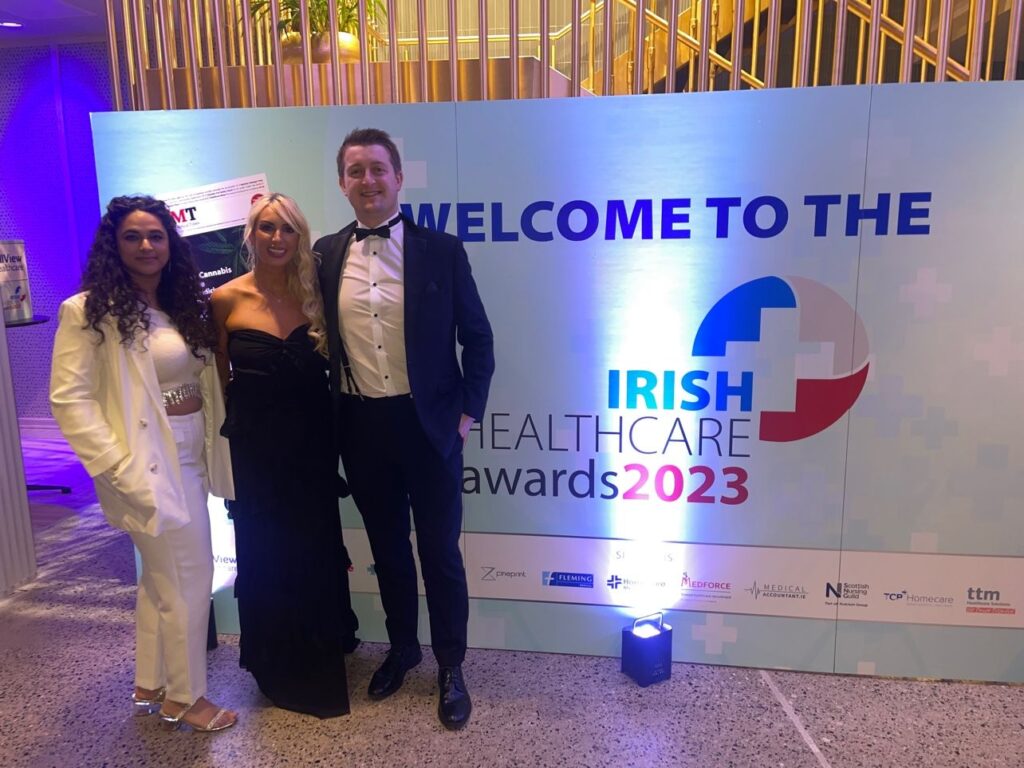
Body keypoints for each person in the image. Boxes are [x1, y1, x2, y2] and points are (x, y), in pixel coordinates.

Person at [315, 128, 495, 730]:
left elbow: (478, 339)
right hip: (361, 425)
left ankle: (451, 665)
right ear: (342, 183)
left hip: (430, 427)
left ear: (399, 177)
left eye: (377, 169)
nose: (368, 180)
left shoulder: (441, 250)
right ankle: (402, 648)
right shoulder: (324, 255)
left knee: (439, 552)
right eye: (356, 171)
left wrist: (467, 414)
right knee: (388, 550)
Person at [49, 195, 236, 732]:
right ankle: (187, 697)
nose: (147, 246)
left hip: (190, 453)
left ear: (170, 242)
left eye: (156, 235)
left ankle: (151, 683)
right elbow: (70, 399)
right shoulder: (88, 312)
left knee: (161, 577)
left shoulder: (177, 305)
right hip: (145, 461)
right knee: (189, 577)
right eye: (132, 236)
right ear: (114, 245)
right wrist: (117, 465)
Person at [211, 192, 359, 718]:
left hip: (312, 449)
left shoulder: (316, 294)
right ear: (250, 235)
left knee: (313, 549)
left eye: (288, 229)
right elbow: (217, 384)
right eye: (267, 227)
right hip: (255, 452)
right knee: (265, 551)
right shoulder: (224, 299)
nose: (277, 238)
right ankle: (274, 661)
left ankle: (320, 649)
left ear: (300, 237)